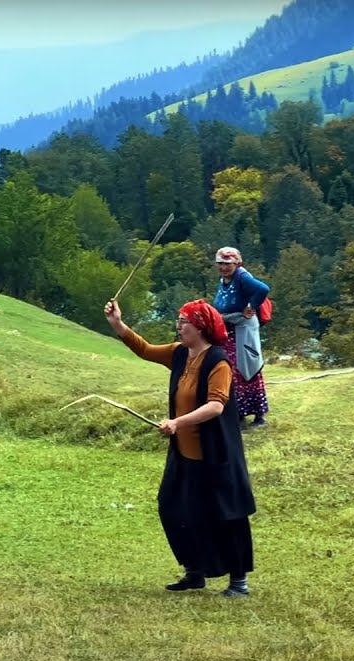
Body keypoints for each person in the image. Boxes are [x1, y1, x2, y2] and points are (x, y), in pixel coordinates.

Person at [104, 297, 257, 597]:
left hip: (215, 454)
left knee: (226, 515)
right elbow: (145, 349)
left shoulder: (218, 362)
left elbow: (216, 406)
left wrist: (177, 423)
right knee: (174, 508)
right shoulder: (178, 354)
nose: (179, 325)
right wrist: (118, 324)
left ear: (200, 327)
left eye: (184, 321)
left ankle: (238, 582)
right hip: (184, 453)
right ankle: (194, 572)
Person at [212, 247, 270, 429]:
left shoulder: (242, 277)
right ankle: (238, 414)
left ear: (236, 264)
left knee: (246, 368)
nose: (223, 267)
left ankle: (257, 415)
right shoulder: (225, 280)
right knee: (231, 370)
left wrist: (251, 306)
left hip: (243, 329)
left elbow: (263, 289)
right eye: (220, 263)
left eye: (227, 264)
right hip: (230, 329)